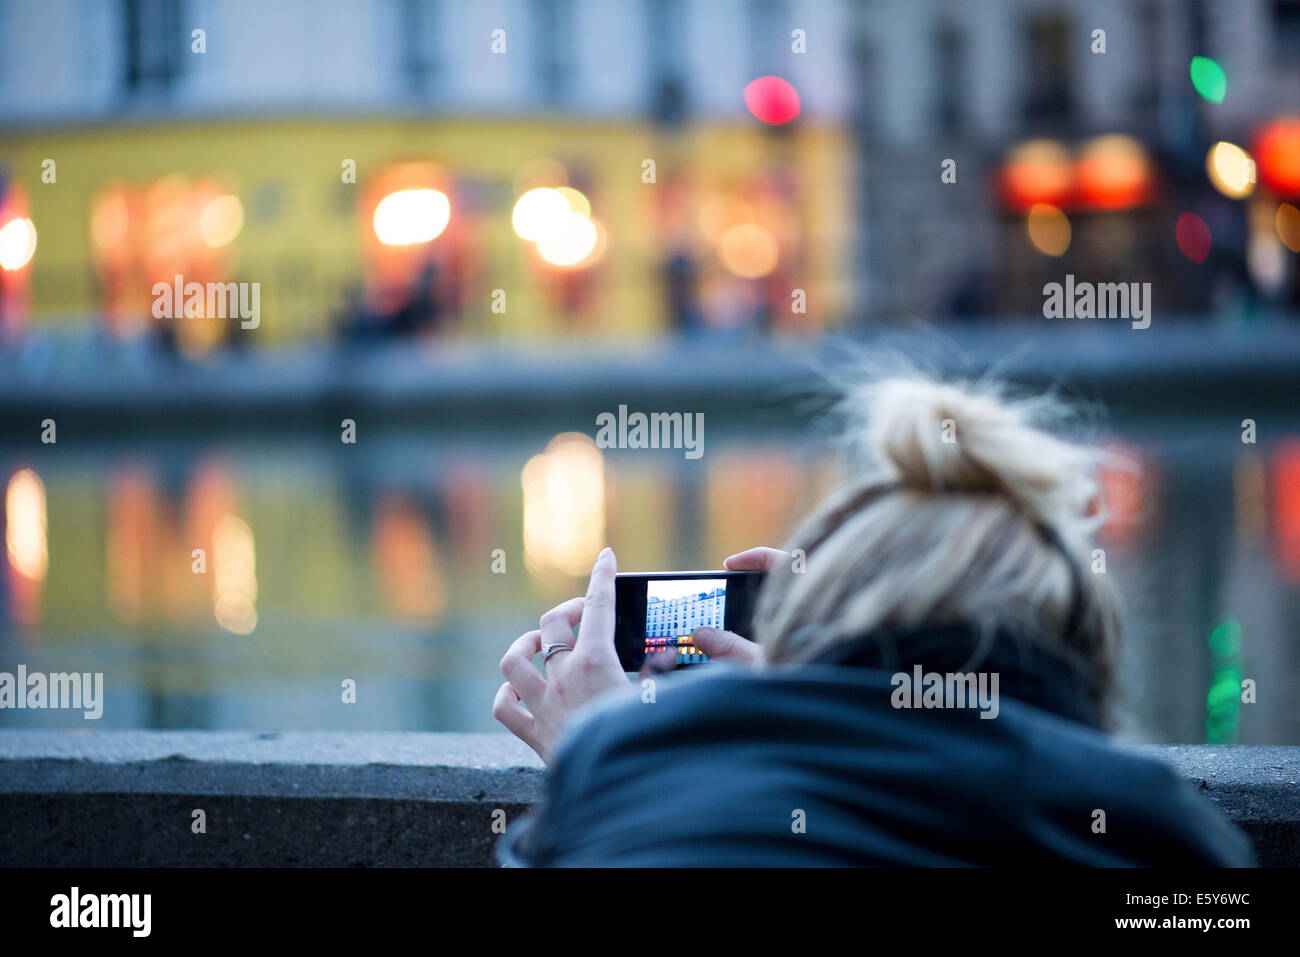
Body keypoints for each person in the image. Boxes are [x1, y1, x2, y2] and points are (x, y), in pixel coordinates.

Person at [492, 374, 1255, 866]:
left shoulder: (624, 769)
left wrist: (604, 761)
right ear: (1075, 651)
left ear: (820, 626)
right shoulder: (1158, 830)